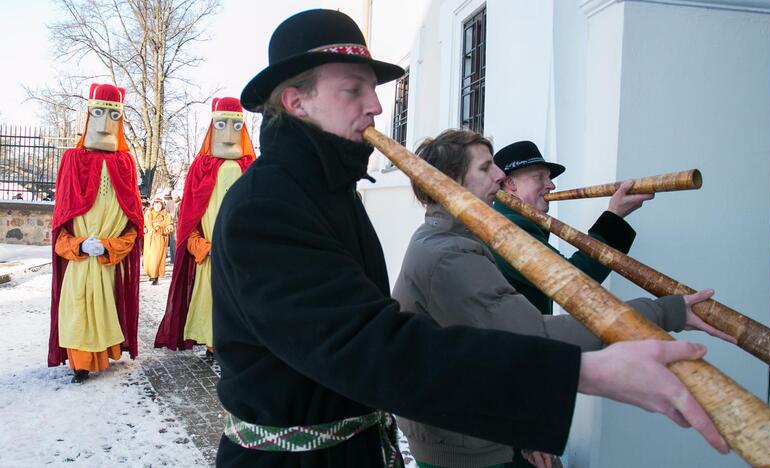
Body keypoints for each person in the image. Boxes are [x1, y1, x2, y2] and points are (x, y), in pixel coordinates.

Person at [210, 9, 728, 467]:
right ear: (296, 101)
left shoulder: (329, 190)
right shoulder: (268, 206)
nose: (376, 107)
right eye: (353, 90)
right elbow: (371, 347)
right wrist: (583, 372)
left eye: (374, 89)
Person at [391, 130, 733, 468]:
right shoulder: (456, 250)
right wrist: (665, 311)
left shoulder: (461, 237)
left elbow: (495, 343)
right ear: (450, 182)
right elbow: (550, 315)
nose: (498, 175)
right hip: (465, 439)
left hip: (482, 424)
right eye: (486, 168)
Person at [48, 83, 143, 383]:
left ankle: (98, 357)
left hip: (105, 262)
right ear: (88, 115)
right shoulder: (72, 160)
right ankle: (79, 363)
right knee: (76, 307)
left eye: (113, 116)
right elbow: (60, 222)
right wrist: (78, 245)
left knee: (104, 306)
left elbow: (132, 225)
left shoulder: (126, 164)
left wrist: (107, 246)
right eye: (98, 113)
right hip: (79, 260)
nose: (104, 125)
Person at [491, 141, 651, 315]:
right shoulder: (508, 227)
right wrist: (614, 216)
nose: (551, 185)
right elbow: (572, 282)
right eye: (539, 177)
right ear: (510, 184)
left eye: (549, 177)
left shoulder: (511, 220)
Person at [154, 97, 255, 355]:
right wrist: (204, 246)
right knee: (212, 302)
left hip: (241, 260)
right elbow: (189, 221)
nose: (230, 135)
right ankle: (213, 346)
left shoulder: (250, 168)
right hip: (210, 258)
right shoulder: (201, 168)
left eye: (236, 125)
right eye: (222, 125)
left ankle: (235, 346)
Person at [142, 197, 173, 284]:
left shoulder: (166, 215)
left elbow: (170, 227)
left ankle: (155, 277)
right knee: (148, 259)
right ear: (153, 205)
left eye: (159, 205)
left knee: (155, 259)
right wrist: (144, 228)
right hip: (148, 239)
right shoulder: (148, 213)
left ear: (162, 205)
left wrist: (160, 229)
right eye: (156, 205)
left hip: (159, 240)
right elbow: (143, 223)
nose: (157, 207)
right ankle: (151, 274)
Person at [164, 193, 177, 262]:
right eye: (174, 195)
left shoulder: (180, 201)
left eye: (176, 195)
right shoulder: (169, 203)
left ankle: (177, 258)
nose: (175, 196)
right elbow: (166, 213)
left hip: (179, 224)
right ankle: (173, 258)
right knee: (172, 241)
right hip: (172, 223)